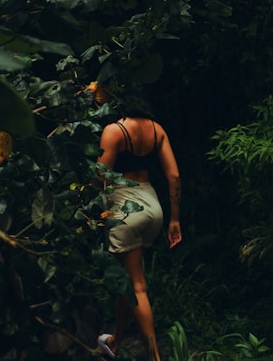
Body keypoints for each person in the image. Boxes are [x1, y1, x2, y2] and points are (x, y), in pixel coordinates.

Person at [95, 98, 182, 361]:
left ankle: (154, 357)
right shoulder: (158, 130)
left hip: (126, 208)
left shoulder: (114, 130)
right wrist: (174, 219)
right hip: (153, 208)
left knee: (137, 285)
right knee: (129, 277)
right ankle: (116, 340)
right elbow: (174, 177)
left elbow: (101, 177)